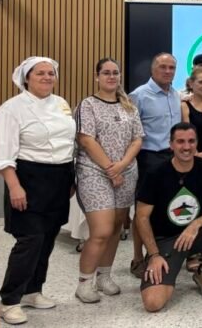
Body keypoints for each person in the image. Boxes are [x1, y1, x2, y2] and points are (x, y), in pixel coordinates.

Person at [0, 57, 76, 325]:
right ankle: (9, 301)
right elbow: (2, 155)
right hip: (28, 178)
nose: (47, 77)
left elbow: (67, 142)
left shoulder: (61, 103)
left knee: (48, 237)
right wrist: (14, 186)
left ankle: (33, 290)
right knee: (30, 240)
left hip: (60, 178)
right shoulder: (11, 109)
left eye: (51, 73)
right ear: (27, 78)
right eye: (40, 73)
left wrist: (70, 178)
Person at [137, 123, 202, 312]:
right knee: (153, 303)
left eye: (191, 141)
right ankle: (163, 265)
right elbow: (142, 218)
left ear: (197, 144)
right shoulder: (155, 173)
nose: (186, 147)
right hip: (166, 240)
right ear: (171, 145)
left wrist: (195, 225)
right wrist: (154, 255)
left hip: (197, 234)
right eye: (180, 142)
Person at [74, 58, 144, 303]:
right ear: (97, 76)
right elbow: (86, 140)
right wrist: (110, 169)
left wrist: (122, 165)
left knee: (116, 227)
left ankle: (104, 276)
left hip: (126, 172)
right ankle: (85, 282)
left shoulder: (129, 107)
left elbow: (137, 139)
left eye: (115, 73)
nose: (111, 77)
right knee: (101, 230)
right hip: (94, 172)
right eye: (106, 73)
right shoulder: (88, 105)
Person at [129, 52, 182, 277]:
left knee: (167, 208)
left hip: (172, 159)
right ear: (153, 69)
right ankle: (138, 258)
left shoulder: (175, 95)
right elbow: (130, 133)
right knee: (144, 211)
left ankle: (160, 252)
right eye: (163, 67)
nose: (168, 71)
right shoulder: (138, 96)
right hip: (149, 158)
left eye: (171, 67)